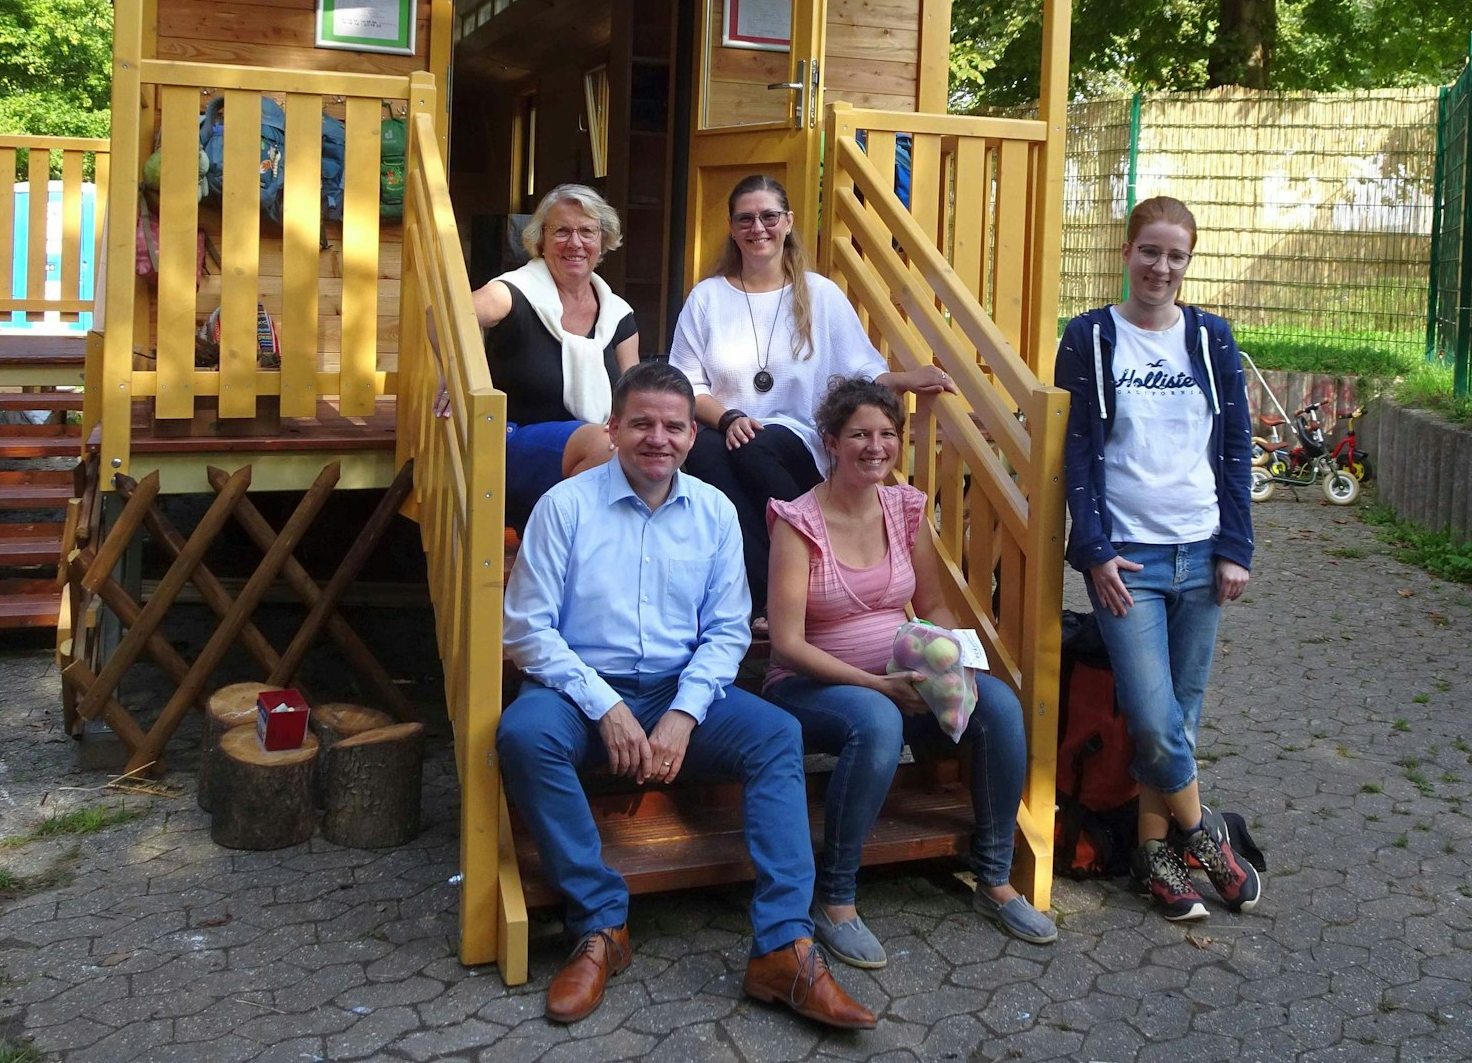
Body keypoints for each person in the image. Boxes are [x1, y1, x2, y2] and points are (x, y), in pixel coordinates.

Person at [498, 361, 878, 1030]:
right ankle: (600, 924)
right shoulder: (564, 507)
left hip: (679, 690)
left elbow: (727, 631)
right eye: (641, 423)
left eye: (674, 426)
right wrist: (605, 706)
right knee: (523, 736)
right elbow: (528, 630)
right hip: (581, 692)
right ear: (612, 428)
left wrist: (681, 713)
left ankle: (783, 947)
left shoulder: (713, 511)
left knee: (776, 735)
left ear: (691, 437)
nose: (658, 438)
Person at [761, 377, 1057, 969]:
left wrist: (947, 665)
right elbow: (787, 644)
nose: (875, 447)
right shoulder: (797, 522)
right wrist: (877, 685)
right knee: (877, 721)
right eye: (859, 435)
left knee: (998, 705)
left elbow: (936, 605)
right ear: (830, 442)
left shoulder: (904, 509)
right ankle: (835, 898)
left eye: (887, 434)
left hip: (903, 677)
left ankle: (995, 878)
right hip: (811, 686)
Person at [1054, 196, 1262, 923]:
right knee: (1150, 716)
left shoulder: (1210, 337)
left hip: (1202, 554)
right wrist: (1094, 551)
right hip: (1129, 562)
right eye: (1149, 251)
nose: (1161, 267)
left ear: (1188, 261)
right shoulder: (1090, 337)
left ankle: (1154, 857)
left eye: (1176, 255)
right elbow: (1077, 451)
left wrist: (1236, 547)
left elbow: (1235, 446)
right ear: (1126, 252)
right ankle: (1204, 836)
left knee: (1180, 717)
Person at [668, 174, 953, 614]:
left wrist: (905, 379)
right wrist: (728, 418)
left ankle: (805, 566)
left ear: (788, 222)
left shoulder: (820, 293)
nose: (757, 228)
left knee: (755, 446)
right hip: (723, 429)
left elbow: (859, 368)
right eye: (745, 219)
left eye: (769, 217)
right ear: (732, 228)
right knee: (704, 452)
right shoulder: (707, 297)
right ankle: (767, 593)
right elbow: (687, 383)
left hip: (796, 439)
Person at [473, 184, 640, 529]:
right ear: (541, 241)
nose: (575, 243)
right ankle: (556, 541)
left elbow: (634, 397)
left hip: (592, 452)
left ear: (603, 241)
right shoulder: (513, 293)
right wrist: (451, 373)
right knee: (608, 446)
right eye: (561, 231)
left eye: (587, 231)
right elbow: (445, 317)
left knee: (650, 448)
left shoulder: (618, 315)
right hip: (509, 440)